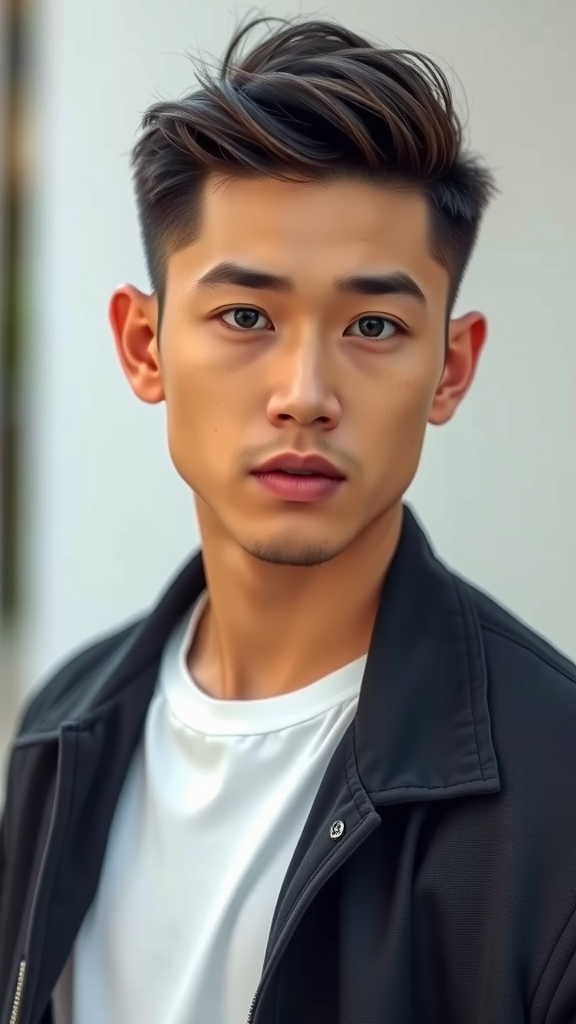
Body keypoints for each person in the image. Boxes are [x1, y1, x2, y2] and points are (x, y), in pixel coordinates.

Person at [1, 15, 575, 1024]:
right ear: (144, 346)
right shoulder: (62, 726)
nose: (305, 393)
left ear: (451, 367)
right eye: (246, 316)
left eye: (372, 326)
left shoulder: (555, 788)